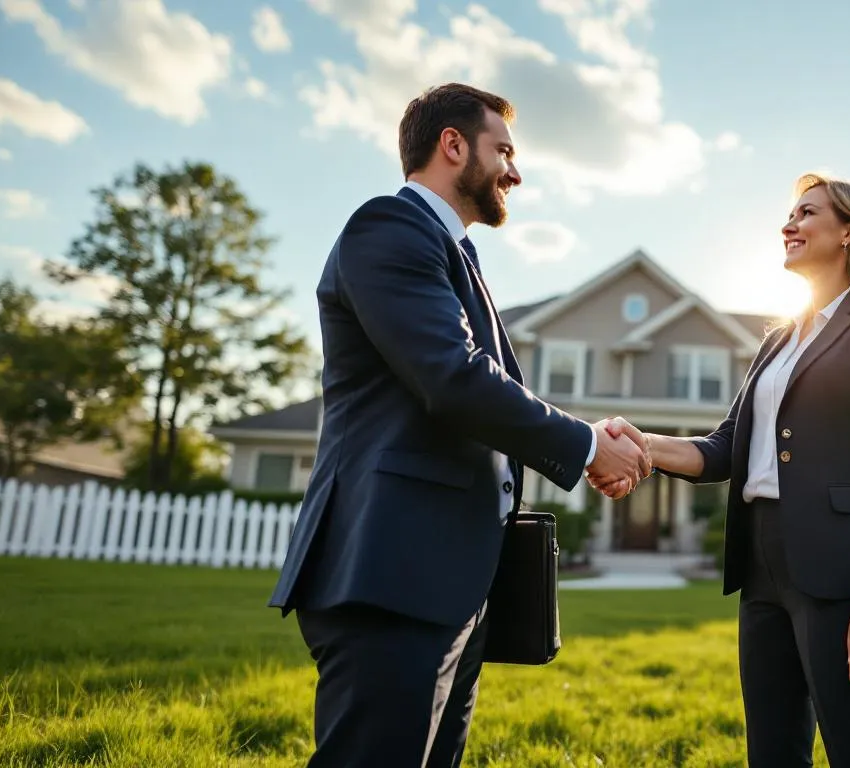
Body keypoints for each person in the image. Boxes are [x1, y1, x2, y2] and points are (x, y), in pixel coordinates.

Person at [267, 83, 650, 768]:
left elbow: (482, 390)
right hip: (390, 573)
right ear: (452, 145)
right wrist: (588, 444)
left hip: (446, 585)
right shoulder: (387, 228)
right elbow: (455, 380)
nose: (515, 170)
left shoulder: (455, 256)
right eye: (503, 149)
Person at [592, 173, 850, 767]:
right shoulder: (779, 339)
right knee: (773, 752)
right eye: (790, 214)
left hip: (841, 568)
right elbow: (728, 449)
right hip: (762, 566)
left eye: (807, 213)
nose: (789, 224)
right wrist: (639, 443)